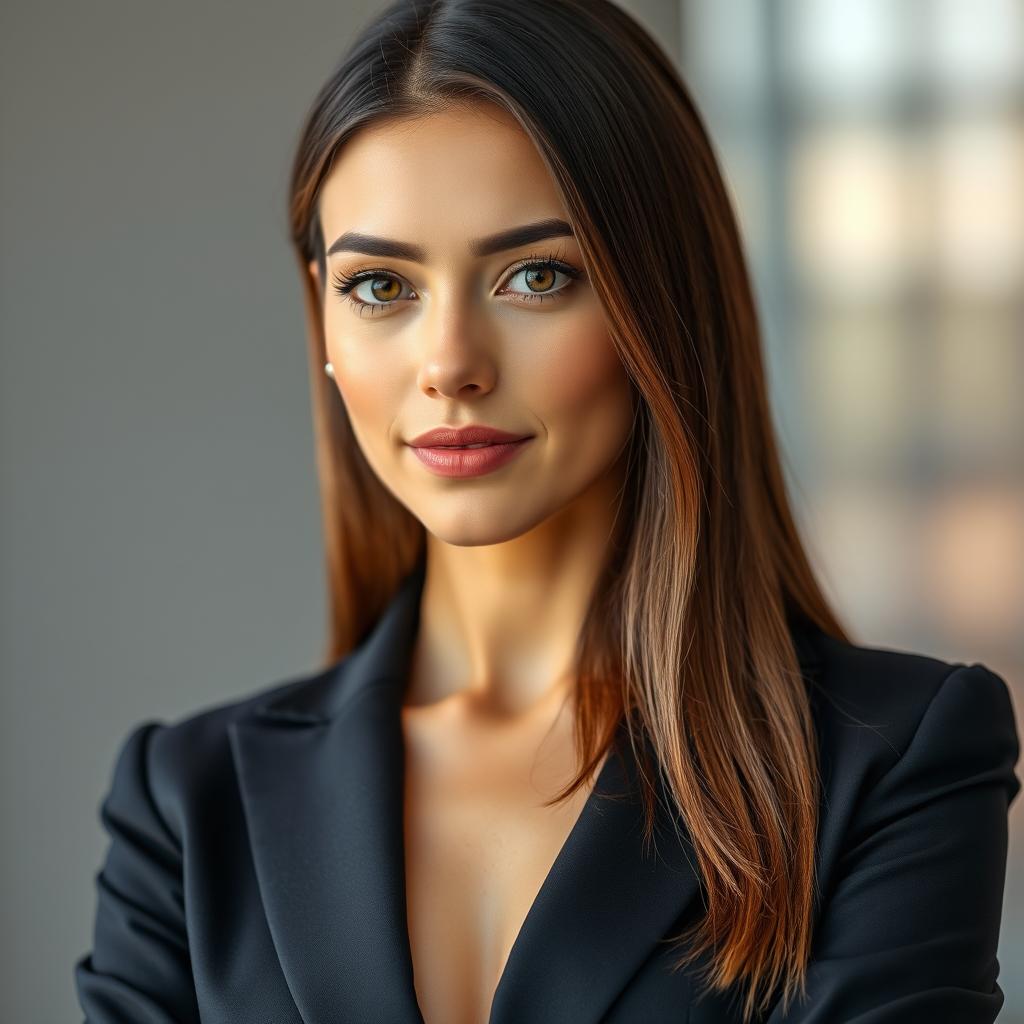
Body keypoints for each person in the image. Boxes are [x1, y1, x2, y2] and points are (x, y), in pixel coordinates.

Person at [73, 1, 1021, 1022]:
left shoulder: (890, 764)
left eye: (535, 275)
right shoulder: (187, 804)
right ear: (322, 317)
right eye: (382, 286)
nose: (449, 366)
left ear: (657, 297)